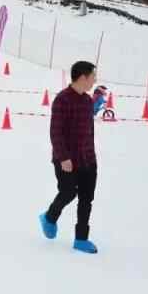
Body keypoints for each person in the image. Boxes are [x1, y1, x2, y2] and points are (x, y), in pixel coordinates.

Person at [39, 61, 99, 254]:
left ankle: (81, 239)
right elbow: (55, 133)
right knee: (68, 193)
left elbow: (88, 131)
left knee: (86, 199)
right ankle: (49, 217)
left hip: (88, 158)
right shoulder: (62, 100)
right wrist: (63, 157)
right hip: (66, 159)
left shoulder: (88, 101)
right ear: (83, 77)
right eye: (93, 77)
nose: (95, 80)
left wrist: (91, 156)